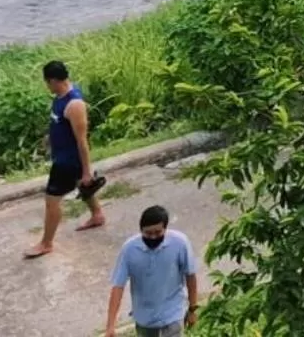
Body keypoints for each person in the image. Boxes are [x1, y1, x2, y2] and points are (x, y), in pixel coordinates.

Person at [27, 60, 104, 258]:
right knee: (84, 187)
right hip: (62, 156)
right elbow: (58, 124)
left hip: (67, 162)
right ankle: (97, 215)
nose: (47, 86)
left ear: (53, 80)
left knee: (51, 201)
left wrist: (87, 170)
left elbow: (82, 141)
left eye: (47, 82)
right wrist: (49, 139)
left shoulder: (74, 105)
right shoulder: (60, 96)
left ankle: (46, 243)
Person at [104, 204, 198, 337]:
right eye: (148, 233)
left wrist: (193, 309)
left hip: (173, 316)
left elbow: (190, 275)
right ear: (140, 230)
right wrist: (110, 326)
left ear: (165, 228)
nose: (153, 237)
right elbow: (118, 287)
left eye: (158, 233)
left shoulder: (180, 243)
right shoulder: (129, 250)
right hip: (144, 320)